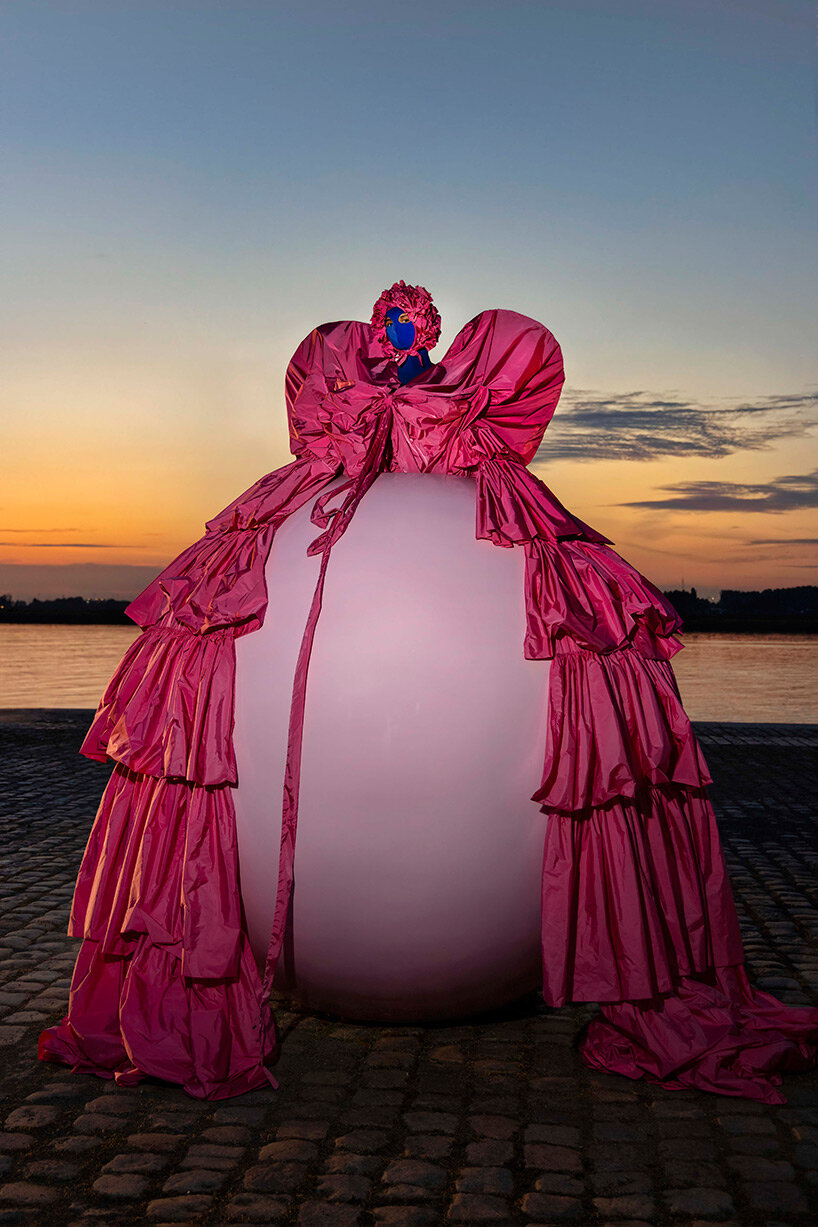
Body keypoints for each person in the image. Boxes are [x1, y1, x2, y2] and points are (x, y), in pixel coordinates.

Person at [39, 281, 818, 1101]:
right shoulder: (350, 433)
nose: (397, 341)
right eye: (392, 331)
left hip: (436, 513)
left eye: (407, 330)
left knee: (580, 638)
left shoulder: (465, 441)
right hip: (344, 517)